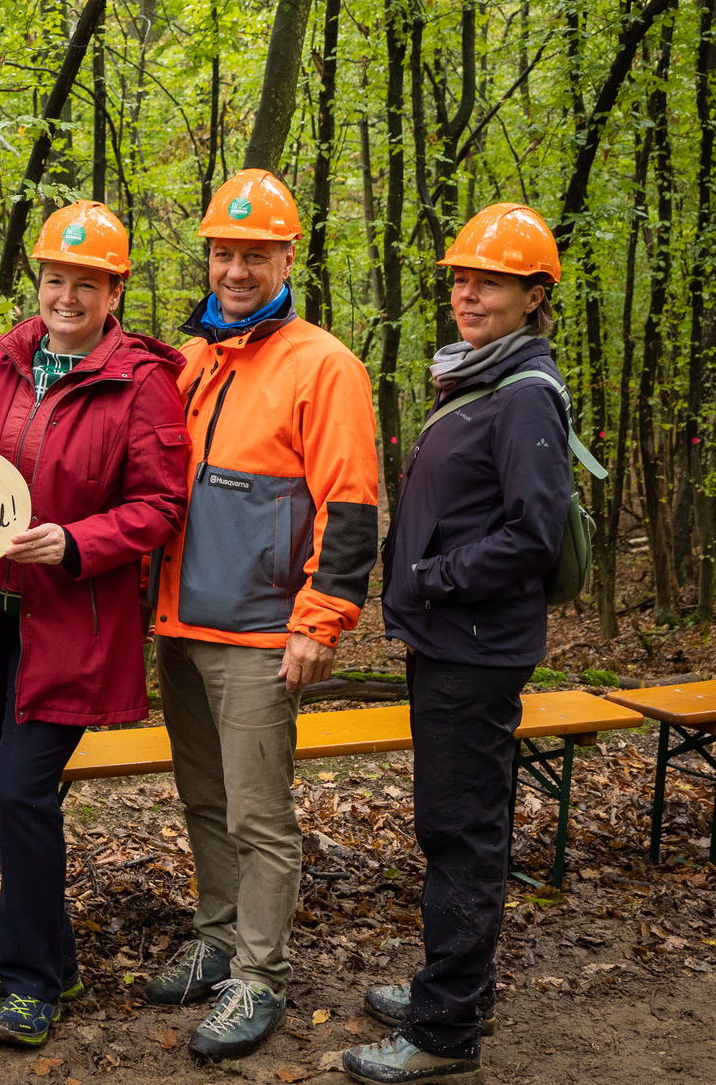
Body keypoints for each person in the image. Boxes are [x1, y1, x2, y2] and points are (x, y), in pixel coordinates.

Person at [145, 169, 380, 1061]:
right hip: (182, 624)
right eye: (223, 252)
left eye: (254, 254)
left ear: (288, 256)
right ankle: (214, 938)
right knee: (204, 800)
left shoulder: (324, 364)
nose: (236, 269)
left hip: (258, 635)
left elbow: (351, 506)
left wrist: (319, 622)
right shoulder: (196, 360)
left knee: (258, 815)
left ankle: (259, 974)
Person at [341, 204, 577, 1085]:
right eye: (461, 278)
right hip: (452, 642)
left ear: (533, 294)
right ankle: (458, 988)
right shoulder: (481, 378)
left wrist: (431, 577)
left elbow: (533, 537)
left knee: (460, 832)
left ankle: (445, 1031)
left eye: (491, 281)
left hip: (473, 648)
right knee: (456, 825)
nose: (467, 293)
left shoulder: (522, 398)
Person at [0, 201, 190, 1047]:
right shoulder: (7, 360)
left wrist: (78, 540)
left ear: (113, 289)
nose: (65, 295)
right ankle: (53, 954)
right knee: (13, 798)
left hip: (72, 625)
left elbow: (161, 504)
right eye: (55, 278)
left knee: (21, 793)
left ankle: (32, 984)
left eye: (85, 283)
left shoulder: (142, 379)